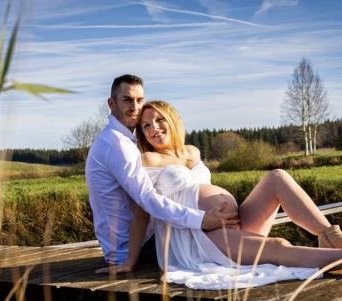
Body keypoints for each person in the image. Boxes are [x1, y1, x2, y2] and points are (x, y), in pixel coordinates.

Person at [97, 100, 342, 289]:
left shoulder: (192, 151)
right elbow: (144, 211)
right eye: (146, 125)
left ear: (172, 119)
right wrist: (129, 262)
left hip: (234, 224)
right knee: (278, 245)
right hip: (204, 239)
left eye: (159, 120)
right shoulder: (149, 159)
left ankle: (330, 236)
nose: (154, 128)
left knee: (277, 176)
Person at [86, 75, 239, 266]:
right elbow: (147, 200)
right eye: (127, 100)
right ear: (111, 104)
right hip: (138, 247)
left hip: (146, 239)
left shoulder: (122, 141)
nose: (135, 107)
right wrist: (201, 220)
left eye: (139, 100)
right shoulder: (117, 144)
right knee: (233, 242)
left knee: (237, 234)